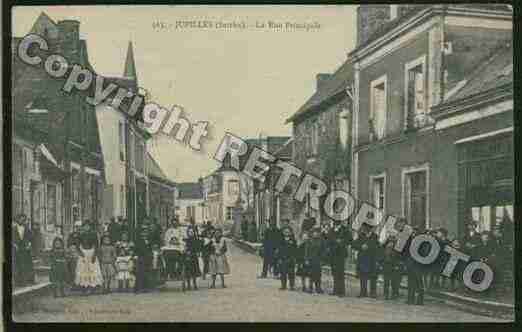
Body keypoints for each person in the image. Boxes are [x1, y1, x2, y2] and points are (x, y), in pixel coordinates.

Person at [75, 221, 103, 295]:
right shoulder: (80, 234)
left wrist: (94, 255)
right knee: (83, 270)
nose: (87, 227)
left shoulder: (93, 234)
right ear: (83, 227)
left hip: (91, 252)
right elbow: (77, 246)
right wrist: (81, 254)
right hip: (83, 253)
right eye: (85, 226)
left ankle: (92, 287)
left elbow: (97, 245)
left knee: (92, 270)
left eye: (88, 226)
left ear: (90, 227)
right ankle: (84, 287)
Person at [326, 219, 352, 297]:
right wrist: (334, 241)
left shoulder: (345, 230)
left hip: (341, 254)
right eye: (334, 221)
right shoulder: (331, 230)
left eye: (337, 221)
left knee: (340, 272)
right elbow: (328, 240)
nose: (335, 222)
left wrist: (342, 241)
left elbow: (350, 239)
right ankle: (335, 290)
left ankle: (341, 292)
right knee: (334, 272)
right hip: (333, 253)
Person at [352, 223, 378, 298]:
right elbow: (354, 245)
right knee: (363, 276)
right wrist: (361, 246)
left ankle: (373, 293)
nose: (365, 229)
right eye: (364, 228)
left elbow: (376, 246)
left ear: (370, 228)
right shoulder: (361, 236)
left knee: (373, 276)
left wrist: (369, 246)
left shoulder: (375, 236)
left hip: (371, 259)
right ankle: (363, 292)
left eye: (367, 228)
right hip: (362, 259)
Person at [12, 214, 35, 287]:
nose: (22, 221)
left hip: (25, 249)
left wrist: (29, 244)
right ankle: (19, 282)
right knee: (18, 265)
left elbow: (31, 237)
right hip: (17, 249)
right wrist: (14, 245)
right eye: (21, 219)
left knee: (27, 264)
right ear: (18, 219)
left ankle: (29, 280)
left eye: (23, 219)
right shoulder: (13, 228)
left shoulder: (27, 228)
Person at [305, 227, 326, 294]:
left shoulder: (321, 241)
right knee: (311, 274)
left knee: (318, 275)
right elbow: (306, 250)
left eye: (317, 232)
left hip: (318, 260)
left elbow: (324, 251)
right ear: (312, 233)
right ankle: (310, 288)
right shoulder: (309, 241)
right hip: (311, 260)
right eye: (314, 232)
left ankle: (318, 288)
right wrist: (306, 259)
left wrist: (322, 260)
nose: (316, 234)